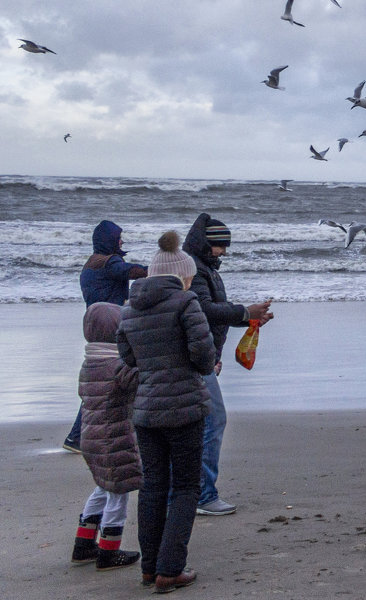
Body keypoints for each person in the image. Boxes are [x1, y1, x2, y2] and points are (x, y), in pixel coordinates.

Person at [117, 231, 215, 593]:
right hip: (185, 406)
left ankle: (149, 567)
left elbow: (128, 358)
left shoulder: (129, 308)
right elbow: (204, 357)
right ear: (180, 275)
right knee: (186, 486)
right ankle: (170, 569)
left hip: (146, 410)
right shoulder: (185, 302)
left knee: (153, 487)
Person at [182, 213, 272, 516]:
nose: (224, 251)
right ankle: (203, 496)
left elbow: (213, 313)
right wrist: (245, 313)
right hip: (197, 358)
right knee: (213, 420)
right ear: (208, 244)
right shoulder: (195, 269)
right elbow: (204, 311)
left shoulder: (204, 267)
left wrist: (250, 317)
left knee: (201, 424)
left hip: (204, 356)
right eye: (221, 246)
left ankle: (189, 493)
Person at [70, 302, 142, 572]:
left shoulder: (89, 364)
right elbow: (137, 382)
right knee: (118, 493)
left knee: (102, 487)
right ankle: (109, 550)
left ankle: (83, 543)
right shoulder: (116, 365)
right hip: (114, 437)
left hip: (91, 438)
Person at [66, 221, 148, 453]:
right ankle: (78, 437)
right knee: (116, 381)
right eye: (119, 237)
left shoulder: (90, 265)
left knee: (103, 382)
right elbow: (129, 271)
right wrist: (160, 271)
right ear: (109, 240)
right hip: (113, 328)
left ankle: (78, 437)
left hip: (95, 326)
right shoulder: (110, 262)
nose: (122, 241)